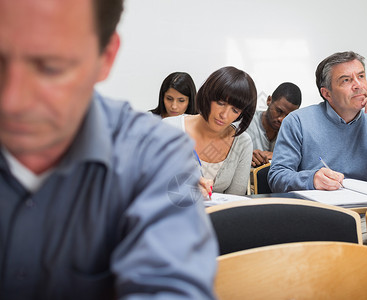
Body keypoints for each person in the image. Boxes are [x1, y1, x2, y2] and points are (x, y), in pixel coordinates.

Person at [0, 0, 218, 299]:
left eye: (50, 67)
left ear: (106, 56)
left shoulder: (154, 155)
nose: (11, 101)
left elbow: (171, 286)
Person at [268, 51, 367, 192]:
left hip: (362, 214)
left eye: (361, 76)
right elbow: (277, 177)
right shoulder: (297, 122)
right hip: (313, 212)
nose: (358, 85)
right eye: (346, 80)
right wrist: (311, 179)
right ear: (327, 93)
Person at [164, 66, 257, 196]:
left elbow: (235, 201)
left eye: (235, 110)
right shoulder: (169, 128)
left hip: (219, 216)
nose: (224, 115)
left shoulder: (242, 142)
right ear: (208, 95)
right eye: (220, 103)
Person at [246, 82, 301, 167]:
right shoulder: (245, 123)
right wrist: (246, 156)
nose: (281, 119)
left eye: (288, 116)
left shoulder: (294, 134)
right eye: (279, 111)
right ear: (269, 100)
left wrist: (278, 157)